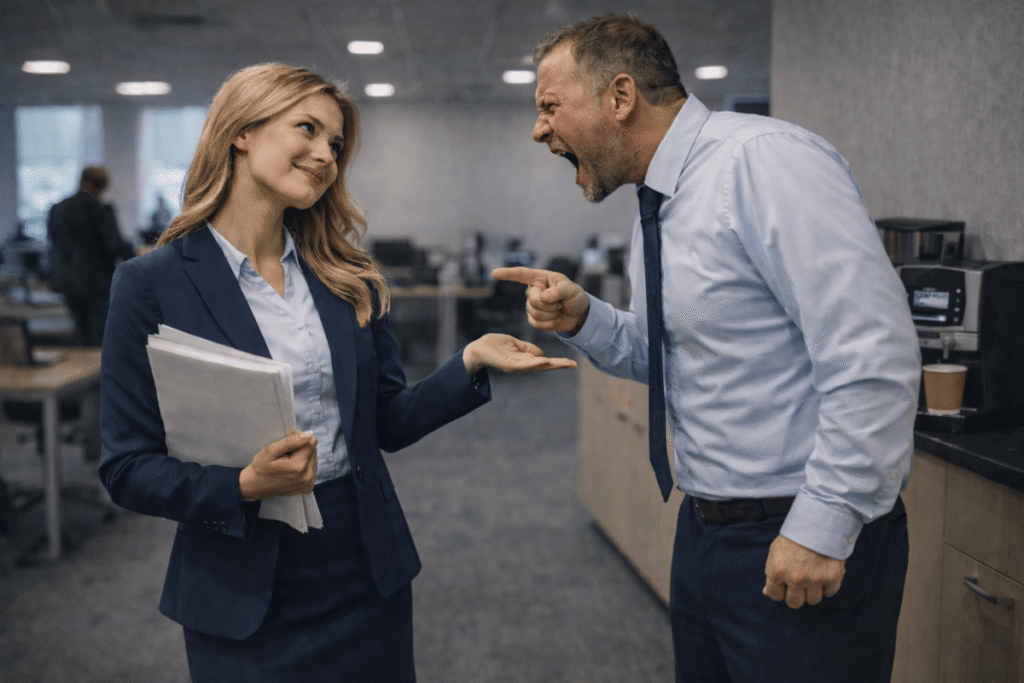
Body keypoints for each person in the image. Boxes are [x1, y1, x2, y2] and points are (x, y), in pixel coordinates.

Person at [99, 63, 575, 683]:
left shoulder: (345, 275)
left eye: (336, 144)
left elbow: (387, 421)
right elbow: (126, 466)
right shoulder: (151, 284)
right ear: (241, 131)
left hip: (361, 561)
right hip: (240, 576)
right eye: (308, 129)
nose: (325, 154)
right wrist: (241, 483)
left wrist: (470, 361)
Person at [494, 14, 921, 683]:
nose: (538, 128)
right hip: (707, 534)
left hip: (797, 532)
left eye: (550, 106)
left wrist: (823, 523)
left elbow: (873, 352)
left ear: (620, 96)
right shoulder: (661, 202)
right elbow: (680, 360)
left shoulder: (763, 162)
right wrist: (586, 319)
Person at [48, 166, 136, 345]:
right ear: (103, 186)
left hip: (67, 281)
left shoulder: (57, 209)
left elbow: (54, 244)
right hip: (97, 283)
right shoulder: (101, 210)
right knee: (100, 340)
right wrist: (135, 257)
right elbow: (114, 246)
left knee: (81, 335)